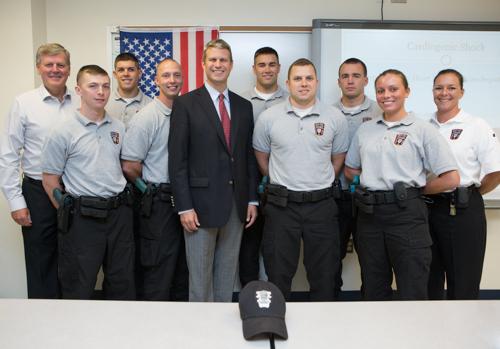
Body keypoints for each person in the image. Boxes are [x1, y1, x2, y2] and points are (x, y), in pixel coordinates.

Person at [344, 69, 460, 301]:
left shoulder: (422, 129)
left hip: (406, 216)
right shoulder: (366, 129)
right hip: (370, 216)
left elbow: (451, 178)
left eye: (393, 89)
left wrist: (415, 192)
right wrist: (366, 183)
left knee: (413, 286)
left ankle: (414, 337)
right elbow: (350, 168)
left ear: (407, 92)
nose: (387, 95)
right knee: (373, 286)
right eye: (381, 90)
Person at [168, 39, 259, 302]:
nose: (218, 65)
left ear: (230, 65)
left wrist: (252, 198)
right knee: (199, 277)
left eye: (223, 60)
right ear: (204, 64)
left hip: (236, 204)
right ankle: (201, 334)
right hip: (199, 206)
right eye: (213, 60)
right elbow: (178, 161)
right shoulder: (185, 104)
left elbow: (247, 157)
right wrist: (184, 206)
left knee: (227, 274)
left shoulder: (244, 106)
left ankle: (221, 333)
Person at [253, 58, 349, 301]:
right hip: (281, 206)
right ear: (288, 82)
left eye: (308, 78)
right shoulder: (269, 117)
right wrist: (279, 179)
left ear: (316, 82)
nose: (303, 83)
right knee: (278, 273)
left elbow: (338, 158)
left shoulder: (335, 117)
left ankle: (321, 332)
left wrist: (318, 180)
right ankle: (276, 327)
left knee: (324, 274)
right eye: (298, 78)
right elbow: (262, 157)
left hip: (322, 206)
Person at [41, 65, 135, 300]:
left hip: (119, 215)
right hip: (82, 218)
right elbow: (50, 179)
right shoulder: (62, 130)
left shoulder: (118, 127)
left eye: (105, 86)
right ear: (78, 90)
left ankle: (119, 335)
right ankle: (78, 335)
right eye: (93, 86)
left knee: (122, 282)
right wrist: (68, 212)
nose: (100, 92)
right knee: (79, 285)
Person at [0, 43, 78, 299]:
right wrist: (15, 201)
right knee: (41, 261)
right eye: (49, 65)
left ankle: (75, 320)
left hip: (76, 191)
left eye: (61, 65)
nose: (55, 70)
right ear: (39, 68)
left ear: (69, 69)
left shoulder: (82, 100)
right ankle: (44, 323)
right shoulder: (24, 103)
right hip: (37, 193)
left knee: (75, 259)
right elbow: (9, 154)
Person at [427, 69, 500, 300]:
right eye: (439, 88)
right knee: (429, 279)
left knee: (463, 282)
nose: (444, 93)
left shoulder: (476, 125)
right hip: (428, 208)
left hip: (463, 210)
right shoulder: (424, 125)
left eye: (451, 88)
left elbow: (495, 172)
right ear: (433, 91)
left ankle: (462, 333)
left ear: (461, 92)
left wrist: (472, 193)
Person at [121, 58, 188, 301]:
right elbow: (129, 166)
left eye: (176, 75)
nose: (172, 80)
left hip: (185, 201)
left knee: (183, 269)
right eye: (166, 76)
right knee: (157, 268)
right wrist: (152, 188)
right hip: (158, 203)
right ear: (156, 80)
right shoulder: (147, 117)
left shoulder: (187, 111)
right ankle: (151, 331)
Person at [239, 47, 288, 287]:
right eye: (261, 64)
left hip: (282, 186)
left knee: (277, 247)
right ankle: (250, 298)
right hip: (247, 184)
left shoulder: (293, 100)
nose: (267, 69)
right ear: (254, 69)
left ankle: (274, 299)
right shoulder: (239, 101)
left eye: (271, 64)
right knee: (248, 246)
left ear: (279, 68)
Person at [333, 57, 381, 296]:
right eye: (345, 76)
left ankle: (370, 314)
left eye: (355, 76)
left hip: (369, 199)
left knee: (372, 261)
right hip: (335, 197)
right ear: (338, 81)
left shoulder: (380, 111)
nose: (350, 81)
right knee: (330, 260)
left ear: (365, 80)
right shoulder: (327, 113)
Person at [107, 52, 151, 126]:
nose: (126, 74)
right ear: (115, 74)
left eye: (131, 69)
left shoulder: (150, 105)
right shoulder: (104, 103)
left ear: (139, 73)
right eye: (121, 70)